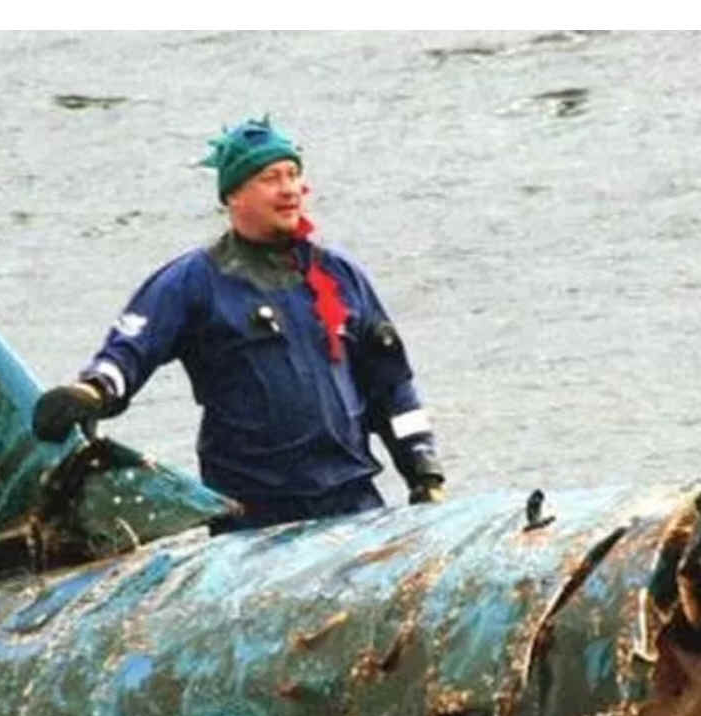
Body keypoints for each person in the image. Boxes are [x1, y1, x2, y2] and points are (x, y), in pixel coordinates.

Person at [32, 117, 444, 531]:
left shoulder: (340, 276)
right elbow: (129, 351)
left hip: (353, 503)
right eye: (270, 178)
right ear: (233, 195)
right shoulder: (193, 280)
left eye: (294, 175)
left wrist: (424, 473)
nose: (289, 189)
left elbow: (392, 386)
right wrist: (92, 392)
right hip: (253, 520)